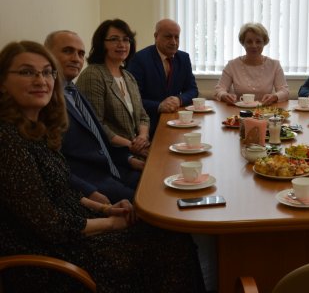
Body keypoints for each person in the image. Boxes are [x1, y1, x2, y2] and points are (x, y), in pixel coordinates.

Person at [0, 40, 205, 293]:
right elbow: (48, 224)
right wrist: (110, 223)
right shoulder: (7, 140)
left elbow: (61, 192)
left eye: (46, 72)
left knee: (170, 234)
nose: (41, 80)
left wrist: (106, 208)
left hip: (71, 229)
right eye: (27, 72)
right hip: (48, 259)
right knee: (168, 244)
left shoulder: (37, 130)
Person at [45, 31, 141, 204]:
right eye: (68, 51)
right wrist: (89, 192)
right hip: (91, 182)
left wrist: (130, 160)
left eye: (81, 54)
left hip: (115, 168)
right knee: (151, 203)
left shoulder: (73, 90)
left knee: (161, 182)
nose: (76, 59)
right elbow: (51, 164)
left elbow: (99, 139)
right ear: (47, 54)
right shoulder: (44, 100)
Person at [76, 19, 150, 162]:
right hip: (113, 156)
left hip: (137, 149)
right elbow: (95, 124)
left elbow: (143, 116)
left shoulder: (128, 77)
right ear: (101, 44)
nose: (122, 45)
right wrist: (130, 145)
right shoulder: (93, 75)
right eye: (114, 39)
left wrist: (142, 137)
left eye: (126, 40)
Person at [128, 18, 199, 137]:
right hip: (148, 125)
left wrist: (179, 99)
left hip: (176, 120)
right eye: (168, 37)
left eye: (177, 37)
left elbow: (193, 90)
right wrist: (159, 106)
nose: (173, 42)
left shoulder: (183, 58)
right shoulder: (139, 60)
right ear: (156, 36)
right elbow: (133, 99)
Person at [214, 22, 289, 105]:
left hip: (265, 112)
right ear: (243, 43)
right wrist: (224, 95)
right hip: (238, 112)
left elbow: (284, 91)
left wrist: (275, 96)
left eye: (258, 41)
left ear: (264, 43)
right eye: (249, 42)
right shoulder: (232, 65)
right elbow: (219, 89)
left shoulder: (274, 65)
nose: (254, 45)